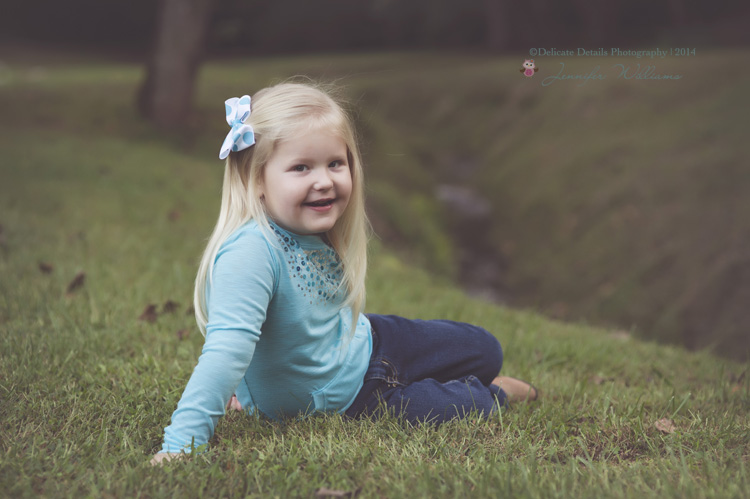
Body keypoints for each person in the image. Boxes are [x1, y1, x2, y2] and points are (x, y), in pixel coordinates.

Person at [151, 82, 538, 465]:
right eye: (301, 167)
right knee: (451, 404)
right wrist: (182, 443)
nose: (324, 180)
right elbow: (226, 351)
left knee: (486, 349)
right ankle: (495, 394)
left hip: (371, 341)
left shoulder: (311, 226)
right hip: (353, 399)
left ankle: (436, 374)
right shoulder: (251, 252)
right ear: (257, 181)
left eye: (335, 163)